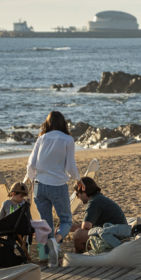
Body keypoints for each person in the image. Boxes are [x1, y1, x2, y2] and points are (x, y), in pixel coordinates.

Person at [25, 111, 84, 266]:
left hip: (39, 185)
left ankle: (50, 257)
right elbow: (71, 166)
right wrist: (79, 180)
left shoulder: (41, 138)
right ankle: (56, 241)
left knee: (46, 223)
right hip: (57, 185)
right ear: (63, 123)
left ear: (48, 123)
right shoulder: (68, 139)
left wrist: (32, 181)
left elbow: (31, 164)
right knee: (66, 220)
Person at [70, 177, 127, 253]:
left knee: (78, 234)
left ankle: (77, 255)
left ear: (84, 193)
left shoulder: (94, 202)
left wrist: (66, 229)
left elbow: (86, 226)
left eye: (77, 194)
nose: (77, 197)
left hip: (115, 238)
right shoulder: (99, 198)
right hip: (118, 234)